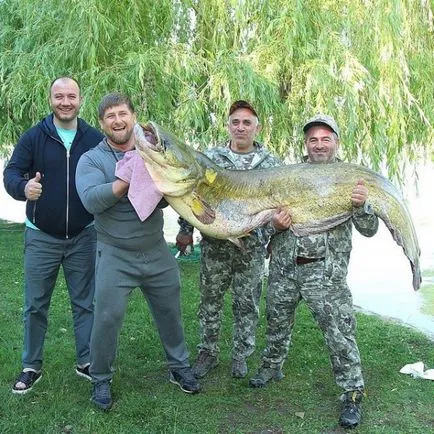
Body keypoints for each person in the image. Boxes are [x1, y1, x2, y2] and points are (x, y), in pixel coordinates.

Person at [248, 114, 379, 429]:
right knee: (277, 322)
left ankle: (352, 392)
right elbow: (260, 225)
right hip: (284, 270)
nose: (319, 145)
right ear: (305, 144)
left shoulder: (353, 179)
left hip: (326, 276)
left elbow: (370, 228)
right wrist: (274, 225)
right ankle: (271, 366)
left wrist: (362, 206)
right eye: (313, 140)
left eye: (325, 139)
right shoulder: (286, 177)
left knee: (339, 333)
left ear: (336, 142)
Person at [75, 92, 200, 411]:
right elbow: (91, 200)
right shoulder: (92, 159)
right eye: (110, 116)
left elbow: (175, 191)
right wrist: (124, 181)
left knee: (170, 312)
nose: (117, 121)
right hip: (115, 253)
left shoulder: (154, 152)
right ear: (102, 123)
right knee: (106, 317)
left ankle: (179, 366)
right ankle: (101, 378)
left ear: (133, 116)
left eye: (122, 114)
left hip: (155, 249)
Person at [3, 77, 104, 394]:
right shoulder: (35, 136)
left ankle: (86, 361)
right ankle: (31, 366)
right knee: (35, 305)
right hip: (41, 237)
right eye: (59, 96)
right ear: (50, 100)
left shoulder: (93, 138)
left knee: (85, 304)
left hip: (83, 235)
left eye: (71, 96)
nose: (65, 102)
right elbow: (11, 174)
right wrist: (24, 188)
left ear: (80, 99)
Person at [176, 100, 290, 379]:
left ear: (257, 128)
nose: (241, 128)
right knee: (210, 300)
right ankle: (208, 352)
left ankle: (241, 355)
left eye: (247, 123)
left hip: (253, 248)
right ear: (228, 126)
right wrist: (185, 229)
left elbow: (281, 206)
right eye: (235, 122)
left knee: (247, 303)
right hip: (216, 246)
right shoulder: (210, 158)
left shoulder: (272, 164)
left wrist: (274, 236)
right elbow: (193, 195)